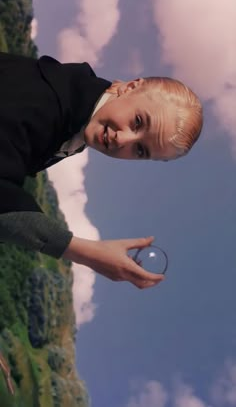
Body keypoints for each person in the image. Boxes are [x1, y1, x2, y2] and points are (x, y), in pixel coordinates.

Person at [0, 52, 203, 289]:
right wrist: (85, 252)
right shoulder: (43, 101)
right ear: (130, 87)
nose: (123, 139)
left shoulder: (77, 120)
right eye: (138, 121)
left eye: (140, 150)